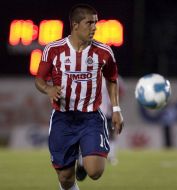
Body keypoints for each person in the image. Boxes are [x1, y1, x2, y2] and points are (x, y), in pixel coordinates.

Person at [35, 4, 124, 190]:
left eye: (96, 23)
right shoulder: (53, 50)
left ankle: (83, 157)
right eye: (89, 23)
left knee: (95, 171)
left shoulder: (104, 52)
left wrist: (116, 109)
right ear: (75, 25)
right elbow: (39, 80)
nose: (94, 27)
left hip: (91, 117)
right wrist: (49, 89)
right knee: (66, 178)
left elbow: (112, 79)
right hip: (63, 118)